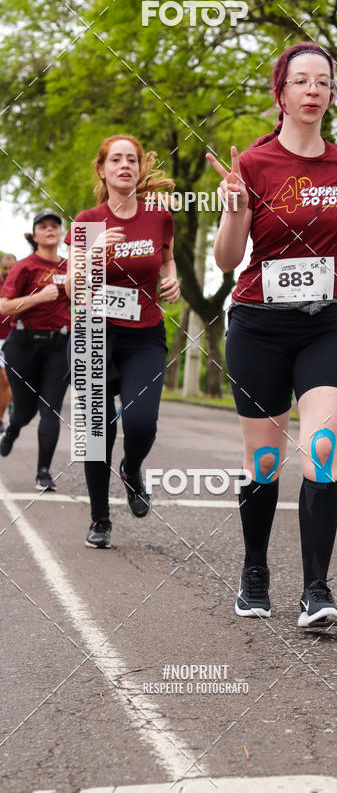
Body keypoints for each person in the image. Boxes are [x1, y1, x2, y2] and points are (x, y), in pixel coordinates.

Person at [207, 41, 337, 629]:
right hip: (260, 325)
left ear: (331, 94)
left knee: (321, 448)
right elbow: (225, 260)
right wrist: (237, 207)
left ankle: (317, 591)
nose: (314, 90)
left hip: (327, 323)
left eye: (324, 82)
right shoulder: (255, 165)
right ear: (281, 93)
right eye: (302, 81)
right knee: (264, 460)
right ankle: (256, 572)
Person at [65, 134, 180, 549]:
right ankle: (99, 518)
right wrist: (94, 254)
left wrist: (174, 279)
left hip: (144, 334)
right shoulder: (87, 221)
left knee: (140, 422)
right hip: (93, 332)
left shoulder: (159, 218)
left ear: (139, 169)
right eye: (116, 160)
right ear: (103, 169)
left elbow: (166, 258)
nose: (125, 166)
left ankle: (132, 470)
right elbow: (71, 288)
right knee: (97, 430)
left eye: (131, 159)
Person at [0, 213, 70, 491]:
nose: (49, 229)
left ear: (60, 233)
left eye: (54, 225)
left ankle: (43, 472)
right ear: (35, 235)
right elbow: (4, 307)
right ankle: (13, 428)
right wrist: (38, 298)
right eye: (43, 226)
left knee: (50, 409)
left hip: (58, 347)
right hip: (23, 345)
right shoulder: (25, 267)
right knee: (25, 412)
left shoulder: (70, 266)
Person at [0, 253, 17, 431]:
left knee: (8, 379)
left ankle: (12, 403)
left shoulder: (20, 284)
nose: (7, 271)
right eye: (5, 268)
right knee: (3, 379)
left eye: (10, 268)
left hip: (13, 337)